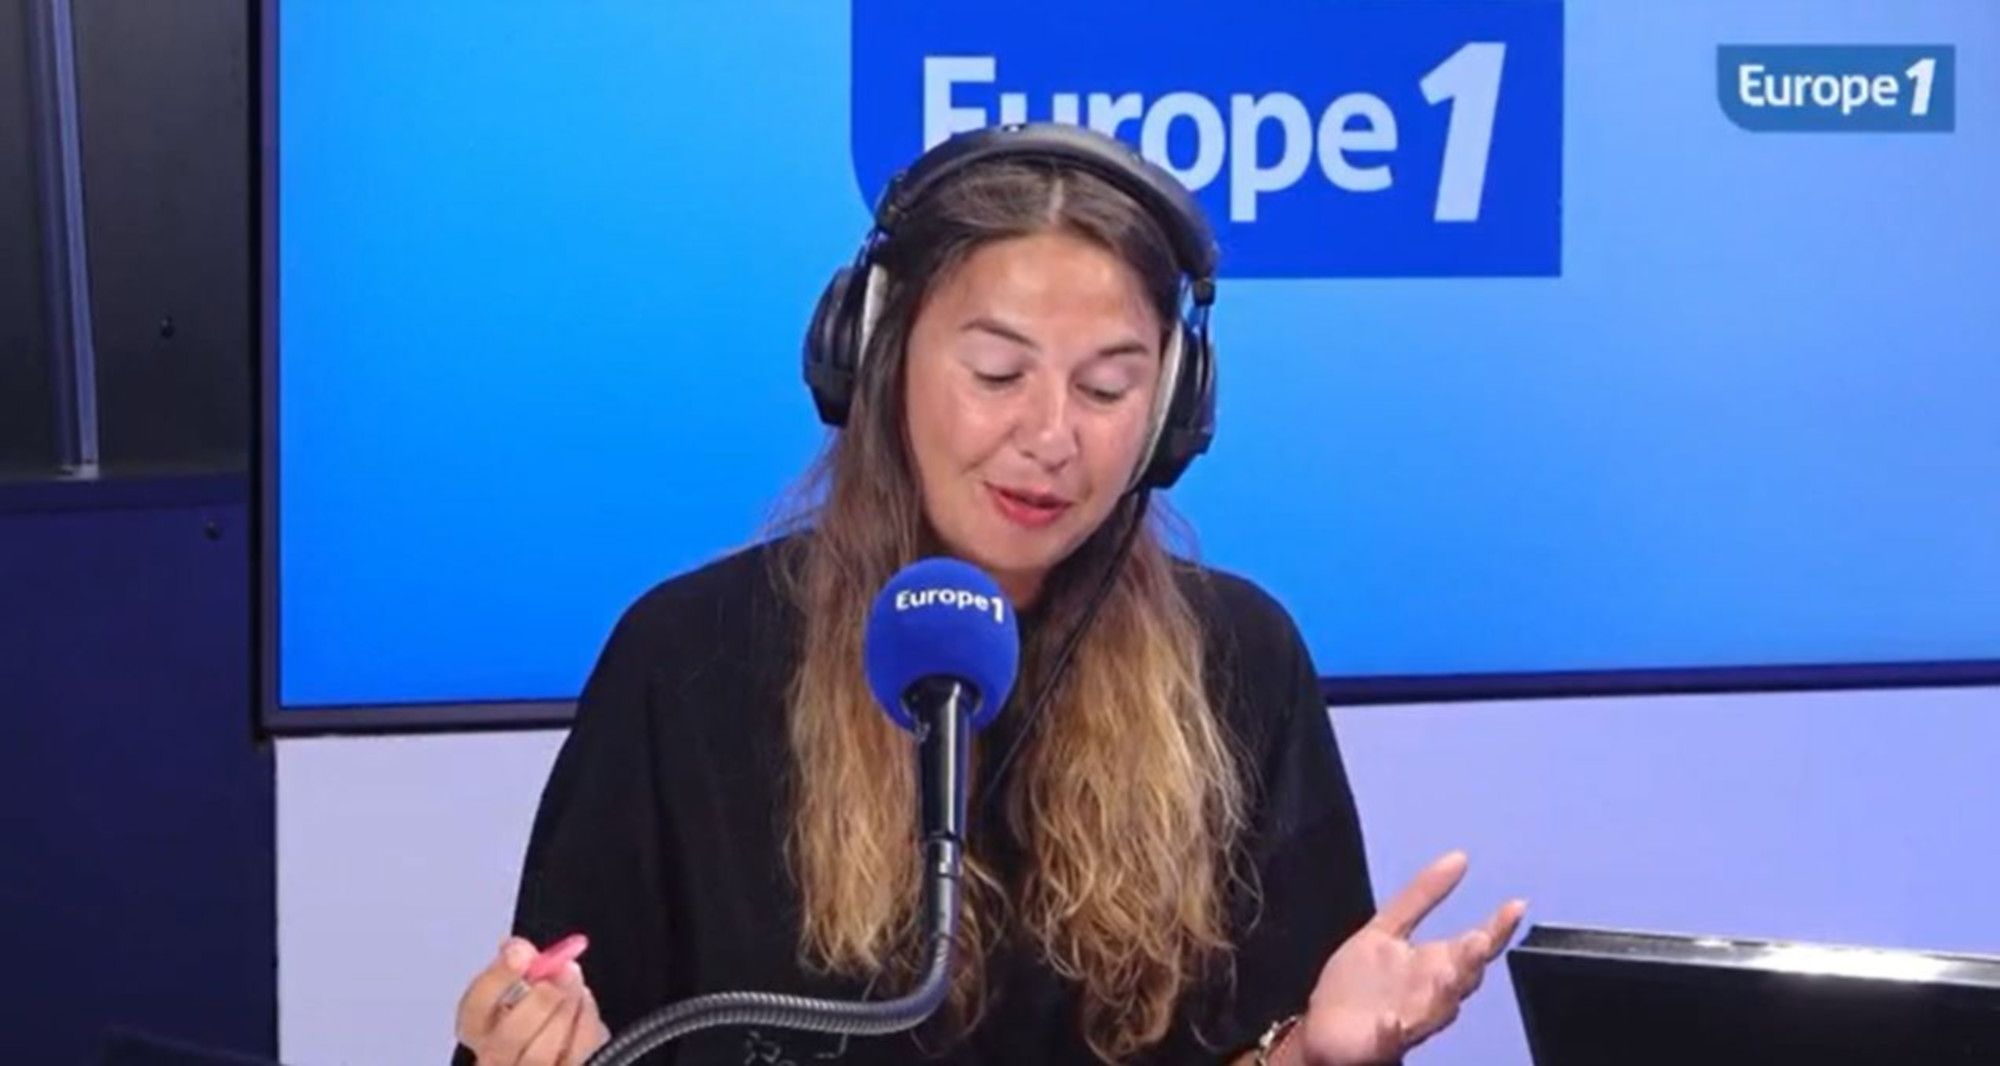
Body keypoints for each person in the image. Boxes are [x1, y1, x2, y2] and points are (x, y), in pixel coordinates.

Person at [450, 123, 1525, 1066]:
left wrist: (1311, 1055)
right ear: (878, 357)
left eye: (1107, 386)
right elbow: (574, 1028)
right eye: (998, 373)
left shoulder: (1239, 660)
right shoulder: (690, 657)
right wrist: (527, 1043)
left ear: (1171, 411)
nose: (1051, 436)